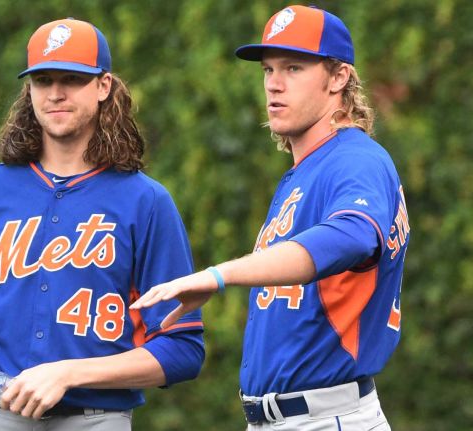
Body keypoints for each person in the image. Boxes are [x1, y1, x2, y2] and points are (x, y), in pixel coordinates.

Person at [0, 17, 204, 431]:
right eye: (42, 79)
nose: (55, 93)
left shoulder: (145, 202)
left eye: (72, 79)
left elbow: (182, 349)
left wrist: (70, 373)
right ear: (29, 89)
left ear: (103, 86)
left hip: (96, 418)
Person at [131, 5, 409, 430]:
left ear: (339, 77)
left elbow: (353, 236)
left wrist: (219, 275)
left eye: (294, 68)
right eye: (268, 70)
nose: (274, 85)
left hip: (326, 416)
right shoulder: (309, 170)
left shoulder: (355, 158)